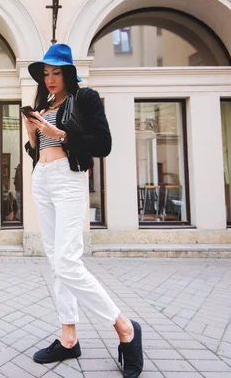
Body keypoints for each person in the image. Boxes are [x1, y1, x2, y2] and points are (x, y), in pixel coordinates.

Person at [23, 43, 144, 378]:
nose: (50, 79)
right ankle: (68, 338)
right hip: (42, 179)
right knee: (55, 260)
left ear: (69, 73)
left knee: (67, 260)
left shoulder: (85, 98)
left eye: (56, 72)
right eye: (45, 73)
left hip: (67, 179)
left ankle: (124, 328)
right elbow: (37, 152)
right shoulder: (44, 105)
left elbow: (103, 144)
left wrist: (59, 133)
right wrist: (34, 134)